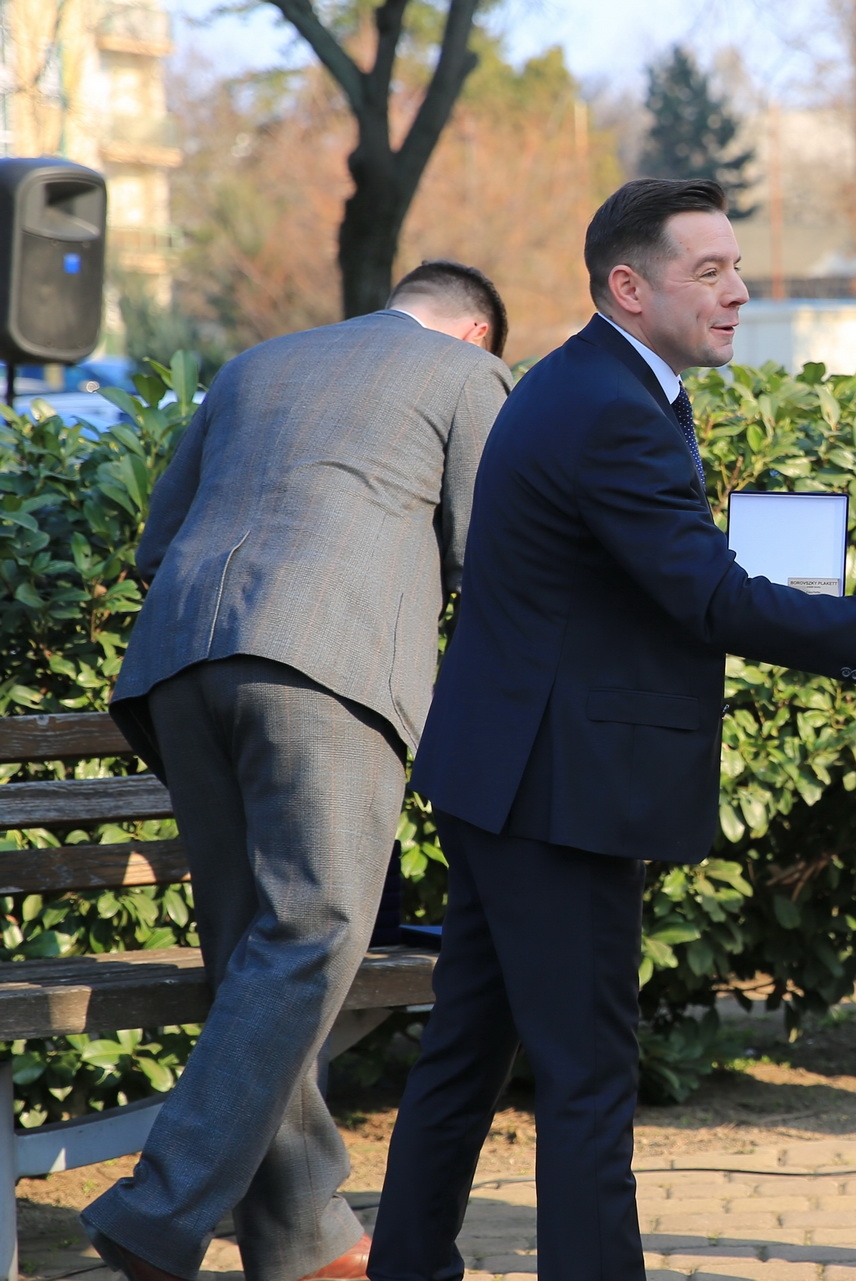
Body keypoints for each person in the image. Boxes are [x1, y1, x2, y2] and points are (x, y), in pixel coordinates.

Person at [366, 178, 856, 1281]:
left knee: (467, 1055)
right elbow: (709, 597)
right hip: (555, 793)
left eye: (737, 267)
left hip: (515, 776)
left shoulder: (600, 384)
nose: (738, 291)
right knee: (585, 1080)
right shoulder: (611, 405)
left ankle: (408, 1266)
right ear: (629, 287)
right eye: (708, 271)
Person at [86, 261, 515, 1281]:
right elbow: (493, 554)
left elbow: (157, 544)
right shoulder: (470, 377)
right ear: (475, 333)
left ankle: (300, 1239)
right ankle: (158, 1209)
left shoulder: (257, 363)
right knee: (317, 930)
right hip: (326, 662)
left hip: (180, 665)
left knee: (259, 952)